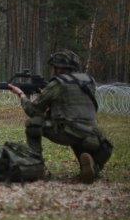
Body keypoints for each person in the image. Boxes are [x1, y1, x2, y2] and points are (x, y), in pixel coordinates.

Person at [7, 50, 113, 183]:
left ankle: (36, 165)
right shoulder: (89, 81)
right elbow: (73, 102)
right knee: (78, 132)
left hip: (67, 132)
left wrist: (21, 95)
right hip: (92, 135)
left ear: (60, 68)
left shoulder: (58, 83)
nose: (53, 70)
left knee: (32, 123)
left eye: (55, 67)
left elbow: (33, 110)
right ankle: (93, 166)